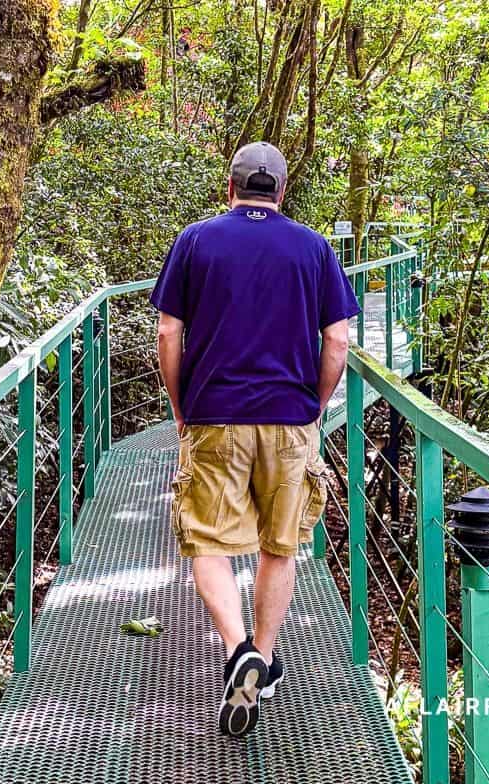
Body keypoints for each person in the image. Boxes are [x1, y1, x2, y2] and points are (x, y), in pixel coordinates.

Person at [150, 141, 360, 737]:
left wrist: (179, 403)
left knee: (208, 543)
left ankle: (237, 646)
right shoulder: (314, 248)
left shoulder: (196, 240)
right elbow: (338, 341)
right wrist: (315, 406)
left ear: (230, 186)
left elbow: (169, 330)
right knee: (280, 544)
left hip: (214, 414)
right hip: (290, 419)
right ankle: (263, 657)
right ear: (283, 191)